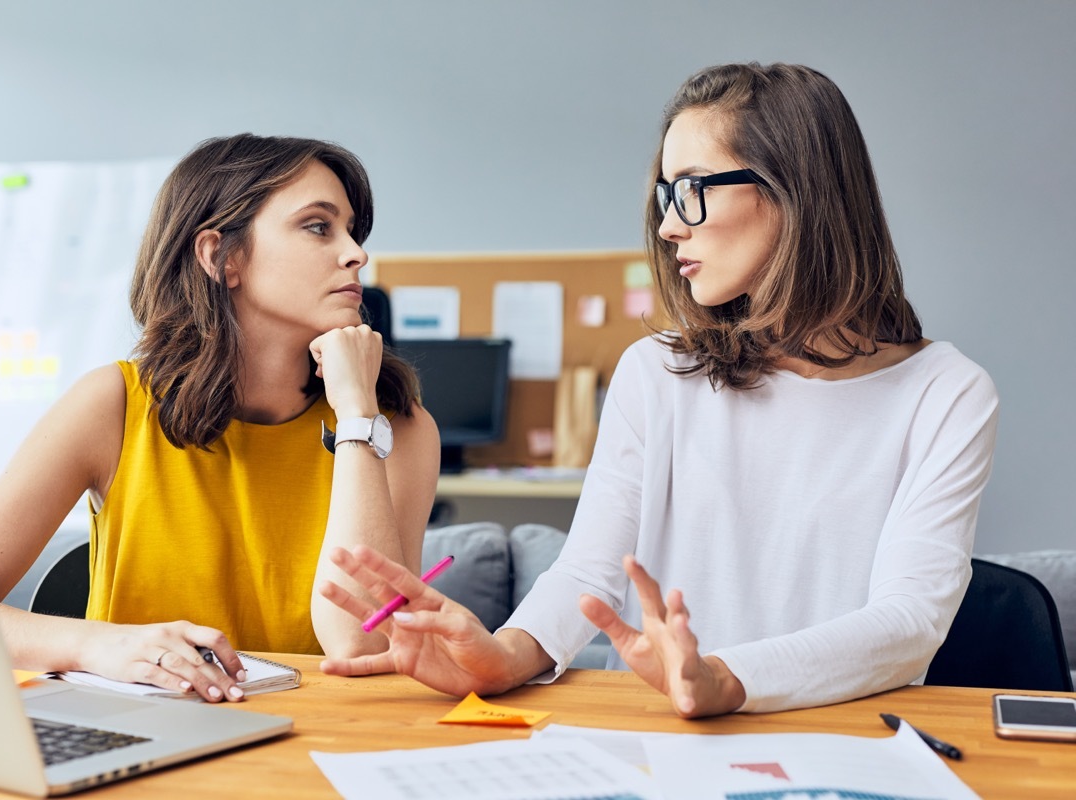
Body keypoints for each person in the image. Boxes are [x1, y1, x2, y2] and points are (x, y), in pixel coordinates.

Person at [319, 63, 999, 717]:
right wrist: (505, 655)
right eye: (665, 195)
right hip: (660, 740)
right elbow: (588, 574)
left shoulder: (946, 394)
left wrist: (728, 681)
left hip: (845, 740)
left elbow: (910, 620)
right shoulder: (657, 372)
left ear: (796, 190)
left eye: (693, 188)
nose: (670, 225)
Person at [0, 134, 440, 702]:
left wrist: (358, 418)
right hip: (143, 745)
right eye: (319, 227)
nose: (356, 254)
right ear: (221, 256)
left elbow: (360, 644)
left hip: (325, 745)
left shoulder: (397, 426)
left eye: (353, 232)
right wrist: (97, 644)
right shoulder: (114, 404)